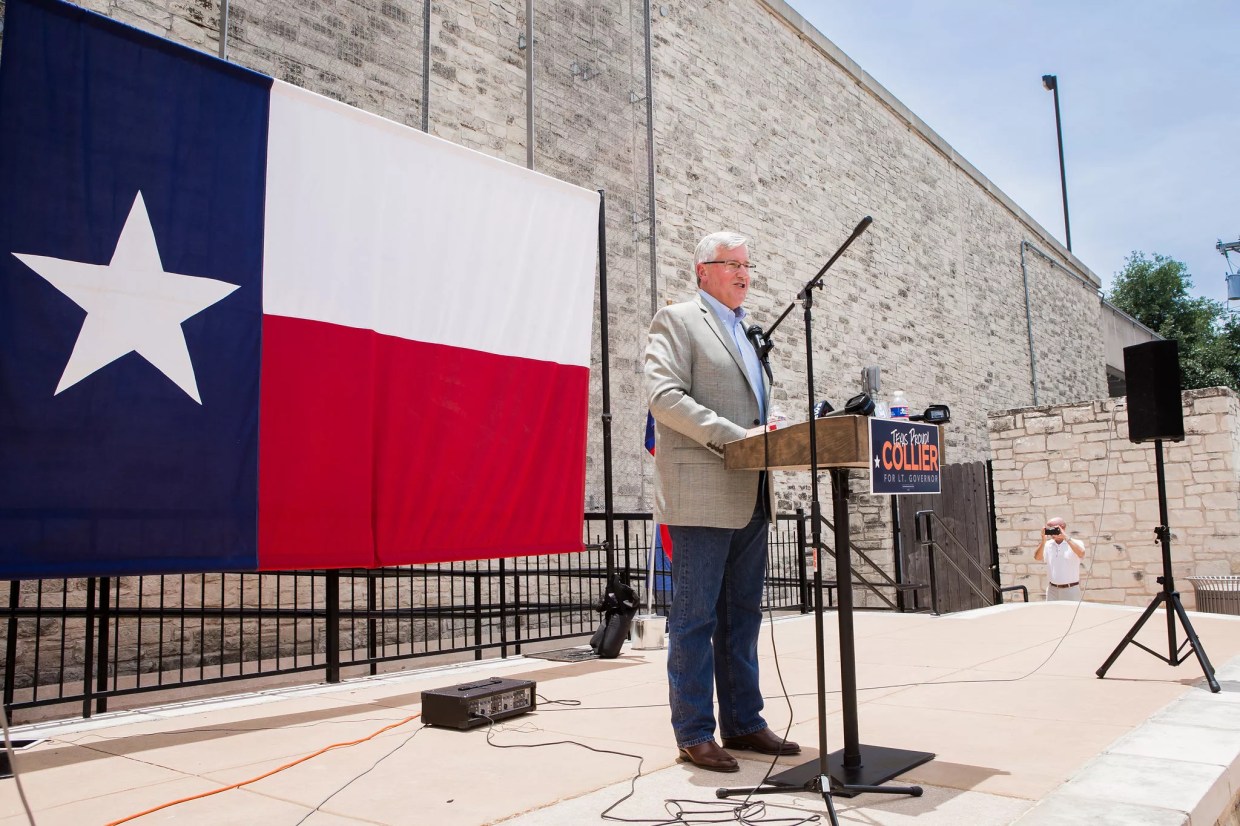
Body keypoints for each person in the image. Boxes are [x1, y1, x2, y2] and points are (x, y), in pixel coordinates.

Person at [644, 231, 799, 773]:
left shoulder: (748, 333)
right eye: (729, 263)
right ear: (701, 270)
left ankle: (744, 722)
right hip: (702, 494)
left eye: (747, 264)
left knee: (743, 618)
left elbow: (753, 412)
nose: (742, 273)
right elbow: (663, 397)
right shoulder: (679, 320)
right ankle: (693, 731)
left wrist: (770, 432)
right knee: (694, 618)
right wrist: (737, 437)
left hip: (753, 492)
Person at [1033, 517, 1085, 601]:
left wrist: (1066, 537)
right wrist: (1043, 541)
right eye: (1049, 529)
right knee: (1052, 614)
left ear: (1062, 527)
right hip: (1052, 590)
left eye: (1053, 529)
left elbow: (1081, 553)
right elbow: (1037, 557)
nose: (1051, 532)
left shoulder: (1076, 543)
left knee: (1071, 613)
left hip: (1070, 589)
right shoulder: (1047, 545)